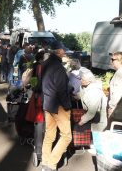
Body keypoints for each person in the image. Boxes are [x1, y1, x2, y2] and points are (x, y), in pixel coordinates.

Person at [41, 41, 72, 171]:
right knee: (66, 136)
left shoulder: (45, 64)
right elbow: (60, 89)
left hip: (48, 104)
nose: (64, 52)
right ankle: (51, 164)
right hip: (58, 106)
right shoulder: (58, 67)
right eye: (63, 50)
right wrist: (67, 106)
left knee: (49, 135)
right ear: (59, 51)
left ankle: (45, 162)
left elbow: (42, 83)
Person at [77, 68, 107, 132]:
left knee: (93, 133)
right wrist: (76, 96)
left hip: (98, 117)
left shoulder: (94, 92)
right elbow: (83, 94)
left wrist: (81, 122)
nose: (81, 80)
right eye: (81, 78)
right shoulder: (85, 86)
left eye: (83, 79)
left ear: (89, 81)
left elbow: (91, 112)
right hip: (92, 115)